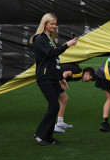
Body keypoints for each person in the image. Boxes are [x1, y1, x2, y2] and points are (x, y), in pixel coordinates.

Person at [31, 13, 78, 145]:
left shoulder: (48, 38)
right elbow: (52, 53)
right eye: (51, 24)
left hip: (52, 77)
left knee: (55, 107)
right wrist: (67, 45)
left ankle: (48, 137)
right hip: (44, 77)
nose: (54, 26)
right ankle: (39, 134)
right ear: (45, 24)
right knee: (54, 106)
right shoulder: (40, 38)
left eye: (55, 24)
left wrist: (60, 78)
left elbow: (54, 61)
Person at [55, 64, 95, 133]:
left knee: (64, 98)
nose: (88, 81)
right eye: (90, 78)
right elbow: (66, 73)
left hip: (56, 79)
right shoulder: (79, 74)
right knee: (54, 103)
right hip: (54, 79)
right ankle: (52, 126)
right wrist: (61, 81)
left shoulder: (79, 72)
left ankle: (60, 122)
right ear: (87, 73)